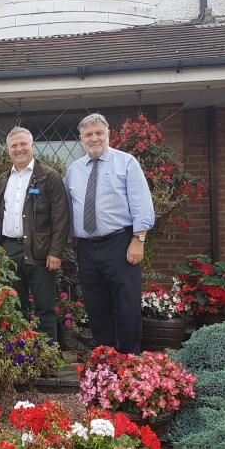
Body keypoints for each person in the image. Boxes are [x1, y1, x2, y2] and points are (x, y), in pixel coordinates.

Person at [66, 113, 154, 354]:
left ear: (108, 135)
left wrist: (139, 240)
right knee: (96, 306)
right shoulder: (74, 170)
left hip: (120, 242)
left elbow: (141, 204)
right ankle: (107, 356)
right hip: (86, 247)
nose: (94, 139)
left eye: (99, 133)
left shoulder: (126, 163)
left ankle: (130, 360)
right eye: (88, 135)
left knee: (127, 303)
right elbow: (70, 209)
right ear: (81, 138)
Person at [0, 127, 70, 340]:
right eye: (14, 146)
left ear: (32, 146)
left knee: (44, 308)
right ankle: (20, 354)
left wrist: (56, 252)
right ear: (8, 150)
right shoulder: (2, 180)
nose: (19, 149)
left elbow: (61, 218)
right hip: (9, 250)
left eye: (23, 144)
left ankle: (47, 356)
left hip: (41, 252)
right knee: (14, 307)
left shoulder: (49, 177)